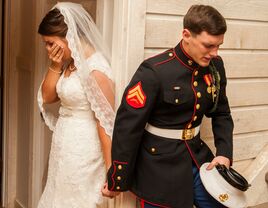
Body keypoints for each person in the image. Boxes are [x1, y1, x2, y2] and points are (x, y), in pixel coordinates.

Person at [102, 4, 233, 208]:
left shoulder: (216, 67)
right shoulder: (154, 71)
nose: (215, 53)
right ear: (186, 34)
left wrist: (224, 153)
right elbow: (127, 128)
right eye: (209, 45)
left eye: (219, 46)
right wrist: (117, 179)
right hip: (159, 168)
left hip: (198, 160)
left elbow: (221, 113)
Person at [37, 2, 115, 208]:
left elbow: (105, 123)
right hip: (63, 144)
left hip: (85, 152)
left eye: (50, 42)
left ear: (69, 36)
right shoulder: (70, 63)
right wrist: (55, 65)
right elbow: (48, 96)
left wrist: (112, 171)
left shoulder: (96, 69)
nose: (47, 49)